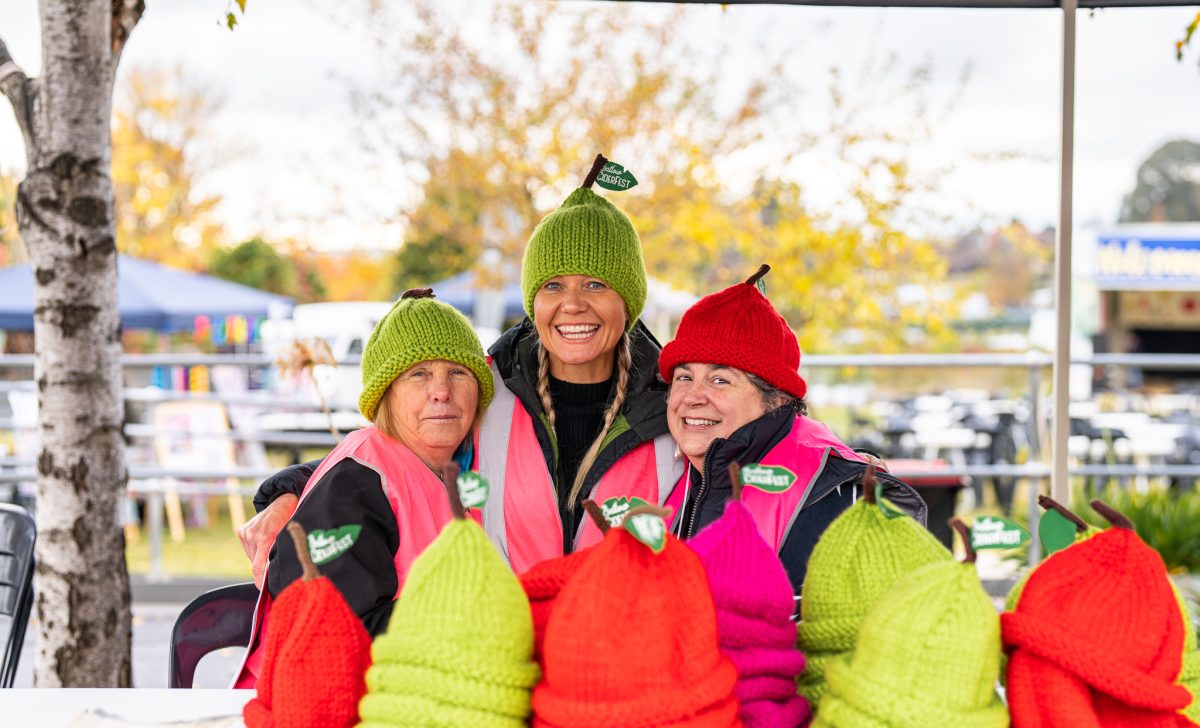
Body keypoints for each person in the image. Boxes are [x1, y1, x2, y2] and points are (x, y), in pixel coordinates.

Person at [238, 157, 679, 581]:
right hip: (504, 648)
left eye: (596, 284)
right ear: (533, 300)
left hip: (625, 649)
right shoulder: (489, 386)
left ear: (629, 300)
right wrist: (289, 492)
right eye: (553, 285)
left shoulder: (676, 403)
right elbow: (392, 452)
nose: (573, 304)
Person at [233, 289, 493, 688]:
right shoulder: (354, 485)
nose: (442, 391)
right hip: (314, 715)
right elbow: (342, 638)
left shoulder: (461, 463)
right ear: (385, 393)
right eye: (418, 374)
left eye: (458, 372)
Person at [658, 266, 927, 593]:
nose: (692, 398)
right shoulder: (667, 477)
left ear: (774, 398)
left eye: (720, 380)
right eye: (684, 377)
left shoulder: (842, 498)